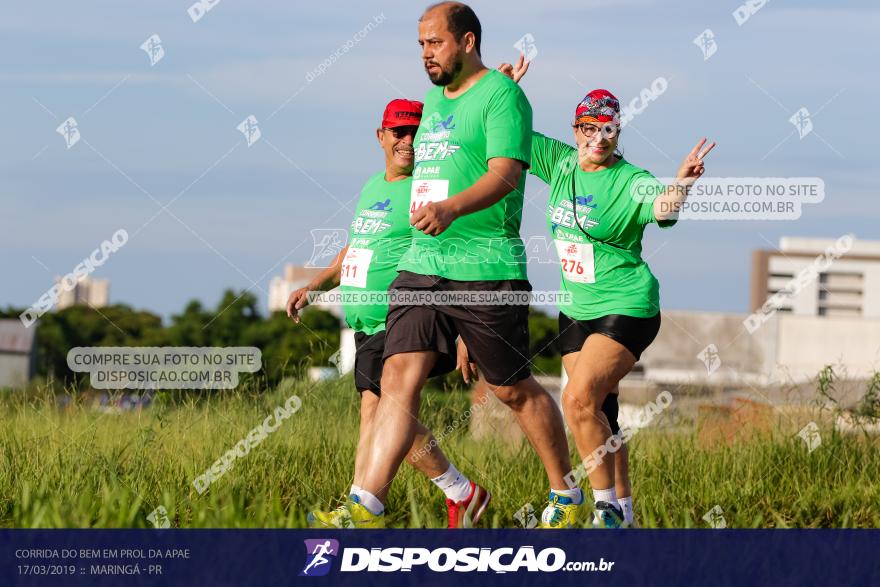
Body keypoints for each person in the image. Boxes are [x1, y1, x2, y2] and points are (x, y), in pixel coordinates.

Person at [351, 2, 577, 529]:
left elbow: (504, 176)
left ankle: (566, 493)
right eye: (421, 45)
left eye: (435, 43)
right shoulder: (433, 103)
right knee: (396, 376)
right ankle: (365, 506)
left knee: (511, 389)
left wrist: (451, 209)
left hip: (485, 265)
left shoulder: (504, 97)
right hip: (422, 263)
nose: (426, 54)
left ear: (468, 41)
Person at [499, 58, 715, 527]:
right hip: (576, 309)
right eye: (589, 128)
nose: (599, 139)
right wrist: (506, 94)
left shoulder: (629, 179)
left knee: (576, 401)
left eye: (609, 130)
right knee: (603, 414)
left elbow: (662, 207)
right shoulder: (559, 163)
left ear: (619, 132)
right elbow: (510, 135)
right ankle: (628, 515)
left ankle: (604, 510)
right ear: (575, 128)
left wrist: (680, 183)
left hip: (627, 305)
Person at [287, 98, 489, 528]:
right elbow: (354, 250)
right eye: (398, 131)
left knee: (381, 414)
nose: (407, 139)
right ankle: (457, 494)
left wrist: (467, 329)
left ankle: (366, 508)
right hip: (365, 325)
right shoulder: (371, 188)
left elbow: (457, 250)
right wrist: (314, 287)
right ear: (380, 136)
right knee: (384, 418)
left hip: (400, 318)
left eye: (415, 131)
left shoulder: (428, 188)